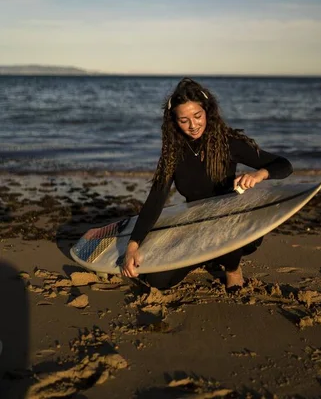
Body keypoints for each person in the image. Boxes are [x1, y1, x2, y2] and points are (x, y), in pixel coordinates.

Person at [121, 78, 293, 291]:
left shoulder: (227, 142)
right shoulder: (173, 153)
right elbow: (156, 200)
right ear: (174, 121)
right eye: (184, 120)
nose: (193, 126)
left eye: (197, 116)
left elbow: (284, 165)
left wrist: (259, 174)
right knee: (158, 281)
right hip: (198, 224)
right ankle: (207, 257)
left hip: (233, 226)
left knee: (224, 232)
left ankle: (232, 269)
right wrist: (133, 246)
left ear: (207, 112)